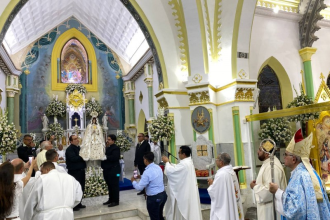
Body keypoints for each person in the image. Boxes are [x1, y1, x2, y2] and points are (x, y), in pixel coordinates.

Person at [269, 129, 330, 219]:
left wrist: (277, 191)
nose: (284, 157)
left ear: (293, 159)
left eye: (286, 154)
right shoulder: (309, 172)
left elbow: (296, 209)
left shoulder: (300, 175)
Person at [162, 146, 203, 220]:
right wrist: (171, 165)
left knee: (182, 212)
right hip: (187, 190)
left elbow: (171, 172)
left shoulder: (184, 164)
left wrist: (167, 162)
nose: (178, 154)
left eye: (179, 153)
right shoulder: (189, 161)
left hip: (183, 193)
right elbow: (178, 169)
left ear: (184, 154)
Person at [250, 139, 287, 220]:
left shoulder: (272, 167)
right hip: (267, 207)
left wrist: (254, 187)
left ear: (267, 154)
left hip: (270, 210)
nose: (257, 152)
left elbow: (269, 191)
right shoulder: (268, 162)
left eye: (260, 150)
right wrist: (258, 184)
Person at [207, 153, 244, 220]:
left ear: (221, 162)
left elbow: (215, 193)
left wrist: (211, 184)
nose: (216, 161)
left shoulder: (221, 174)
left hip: (226, 207)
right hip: (232, 203)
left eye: (217, 159)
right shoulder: (231, 171)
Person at [131, 152, 167, 220]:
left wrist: (133, 181)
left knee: (154, 218)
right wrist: (141, 176)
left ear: (146, 160)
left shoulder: (147, 172)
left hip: (154, 198)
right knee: (160, 216)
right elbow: (153, 177)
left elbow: (139, 187)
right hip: (163, 195)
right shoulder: (158, 167)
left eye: (144, 159)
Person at [66, 135, 87, 211]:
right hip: (74, 171)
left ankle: (79, 203)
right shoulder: (69, 149)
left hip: (81, 170)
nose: (77, 140)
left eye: (77, 138)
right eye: (75, 139)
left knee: (81, 187)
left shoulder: (79, 148)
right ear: (71, 141)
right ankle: (74, 205)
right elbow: (73, 158)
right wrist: (83, 156)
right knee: (75, 188)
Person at [101, 134, 121, 207]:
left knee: (114, 185)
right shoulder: (108, 148)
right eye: (107, 139)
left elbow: (114, 157)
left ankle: (115, 201)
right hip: (107, 170)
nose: (107, 141)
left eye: (109, 139)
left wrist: (105, 157)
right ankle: (111, 199)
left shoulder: (116, 148)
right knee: (109, 185)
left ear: (113, 140)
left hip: (114, 170)